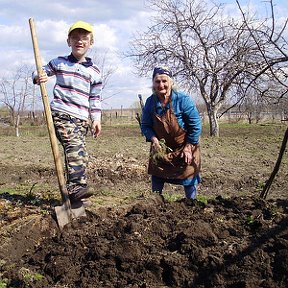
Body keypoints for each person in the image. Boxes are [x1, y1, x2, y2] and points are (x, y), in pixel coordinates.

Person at [33, 21, 102, 204]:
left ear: (91, 42)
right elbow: (40, 71)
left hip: (81, 119)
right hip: (61, 114)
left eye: (84, 38)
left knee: (80, 155)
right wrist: (39, 76)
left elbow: (95, 98)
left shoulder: (95, 72)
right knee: (74, 148)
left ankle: (76, 196)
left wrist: (96, 119)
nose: (80, 41)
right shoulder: (60, 62)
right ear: (68, 41)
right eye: (75, 38)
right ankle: (76, 188)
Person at [141, 66, 202, 199]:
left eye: (164, 81)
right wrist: (154, 140)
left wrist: (188, 146)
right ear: (153, 83)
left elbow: (196, 125)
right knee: (157, 176)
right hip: (161, 148)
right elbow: (145, 125)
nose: (161, 85)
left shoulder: (183, 100)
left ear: (171, 82)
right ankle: (155, 203)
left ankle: (192, 204)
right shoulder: (150, 102)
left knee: (189, 175)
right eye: (157, 81)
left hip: (184, 146)